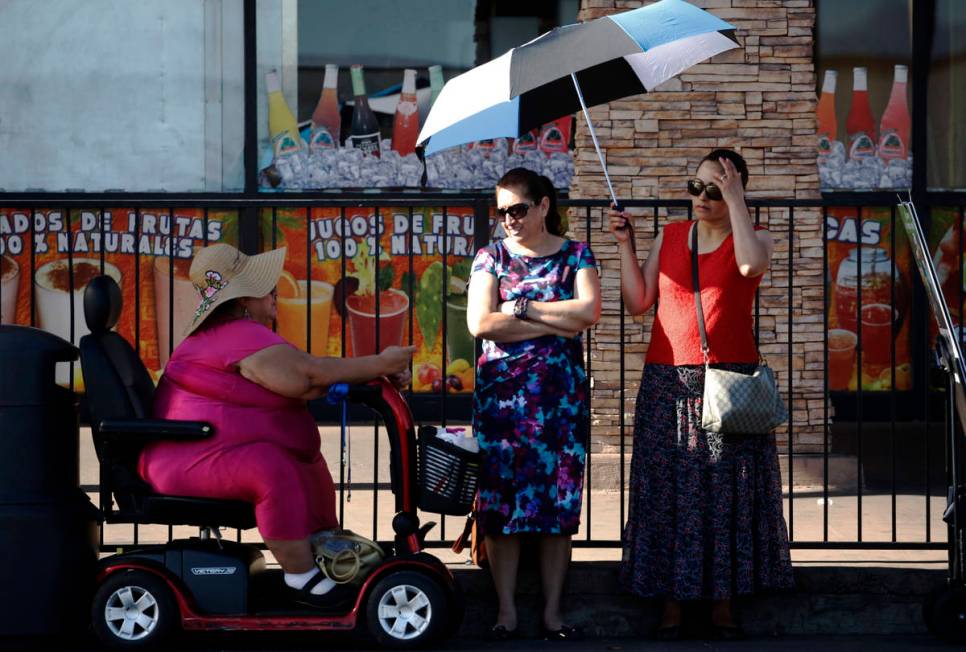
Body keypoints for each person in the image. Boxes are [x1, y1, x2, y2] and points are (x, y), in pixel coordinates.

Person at [138, 243, 414, 607]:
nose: (273, 289)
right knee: (269, 466)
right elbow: (306, 374)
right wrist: (382, 362)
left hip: (195, 454)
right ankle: (301, 577)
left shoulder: (236, 335)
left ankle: (324, 550)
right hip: (186, 459)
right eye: (262, 284)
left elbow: (309, 380)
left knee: (300, 460)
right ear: (241, 300)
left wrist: (375, 372)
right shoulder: (235, 336)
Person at [609, 149, 794, 640]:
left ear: (735, 192)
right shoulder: (670, 236)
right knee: (668, 493)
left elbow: (752, 266)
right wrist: (626, 245)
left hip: (728, 382)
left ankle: (723, 603)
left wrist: (736, 200)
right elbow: (637, 303)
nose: (702, 198)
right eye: (697, 187)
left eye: (715, 189)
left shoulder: (752, 238)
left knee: (726, 493)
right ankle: (671, 603)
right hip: (667, 381)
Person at [467, 168, 601, 641]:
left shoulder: (577, 253)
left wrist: (520, 309)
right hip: (502, 404)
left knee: (557, 507)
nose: (509, 220)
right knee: (500, 508)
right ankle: (505, 611)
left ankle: (552, 613)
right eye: (502, 211)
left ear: (544, 206)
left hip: (559, 405)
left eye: (518, 209)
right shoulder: (490, 256)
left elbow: (588, 312)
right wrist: (554, 322)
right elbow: (481, 324)